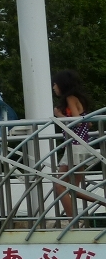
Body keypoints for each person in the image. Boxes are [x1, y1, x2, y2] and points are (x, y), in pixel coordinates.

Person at [52, 70, 95, 217]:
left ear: (62, 85)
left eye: (55, 84)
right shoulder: (78, 99)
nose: (54, 87)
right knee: (73, 189)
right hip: (81, 145)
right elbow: (87, 123)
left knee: (60, 186)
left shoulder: (70, 98)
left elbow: (77, 121)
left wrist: (59, 115)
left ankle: (73, 222)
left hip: (75, 146)